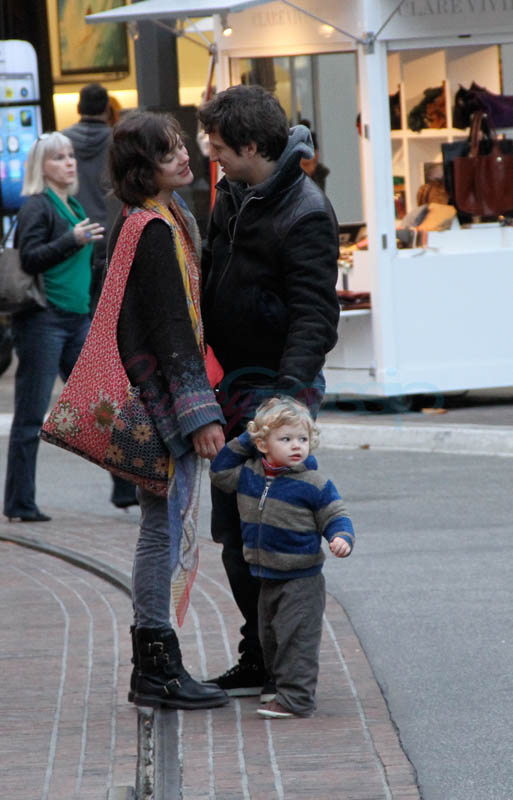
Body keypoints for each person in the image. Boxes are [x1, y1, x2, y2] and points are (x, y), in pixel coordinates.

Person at [197, 84, 341, 697]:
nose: (212, 154)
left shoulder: (306, 210)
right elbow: (212, 272)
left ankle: (283, 664)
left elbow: (315, 316)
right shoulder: (232, 192)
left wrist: (285, 404)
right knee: (234, 535)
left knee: (276, 536)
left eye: (221, 146)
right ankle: (258, 653)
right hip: (230, 387)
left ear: (253, 146)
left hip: (275, 395)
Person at [107, 110, 228, 709]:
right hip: (161, 405)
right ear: (142, 169)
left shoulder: (163, 217)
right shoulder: (152, 229)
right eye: (167, 151)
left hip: (156, 399)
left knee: (160, 527)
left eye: (182, 144)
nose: (184, 155)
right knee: (161, 530)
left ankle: (154, 663)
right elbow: (170, 328)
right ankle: (155, 665)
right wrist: (198, 415)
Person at [210, 396, 354, 718]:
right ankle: (279, 688)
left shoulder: (313, 483)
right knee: (271, 639)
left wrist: (341, 537)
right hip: (266, 577)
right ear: (262, 444)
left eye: (302, 439)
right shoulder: (249, 475)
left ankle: (297, 699)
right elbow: (219, 470)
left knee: (296, 640)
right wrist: (250, 435)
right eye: (285, 439)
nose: (296, 446)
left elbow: (336, 515)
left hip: (301, 579)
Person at [3, 132, 104, 522]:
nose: (70, 162)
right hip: (43, 321)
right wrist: (72, 239)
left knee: (98, 407)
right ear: (41, 167)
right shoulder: (37, 206)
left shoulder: (73, 204)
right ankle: (19, 503)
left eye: (71, 155)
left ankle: (127, 488)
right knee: (31, 417)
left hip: (76, 319)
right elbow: (30, 258)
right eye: (59, 157)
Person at [62, 82, 138, 509]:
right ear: (107, 107)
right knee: (106, 353)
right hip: (110, 245)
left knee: (84, 361)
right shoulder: (118, 141)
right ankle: (122, 476)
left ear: (77, 106)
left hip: (76, 250)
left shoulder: (63, 143)